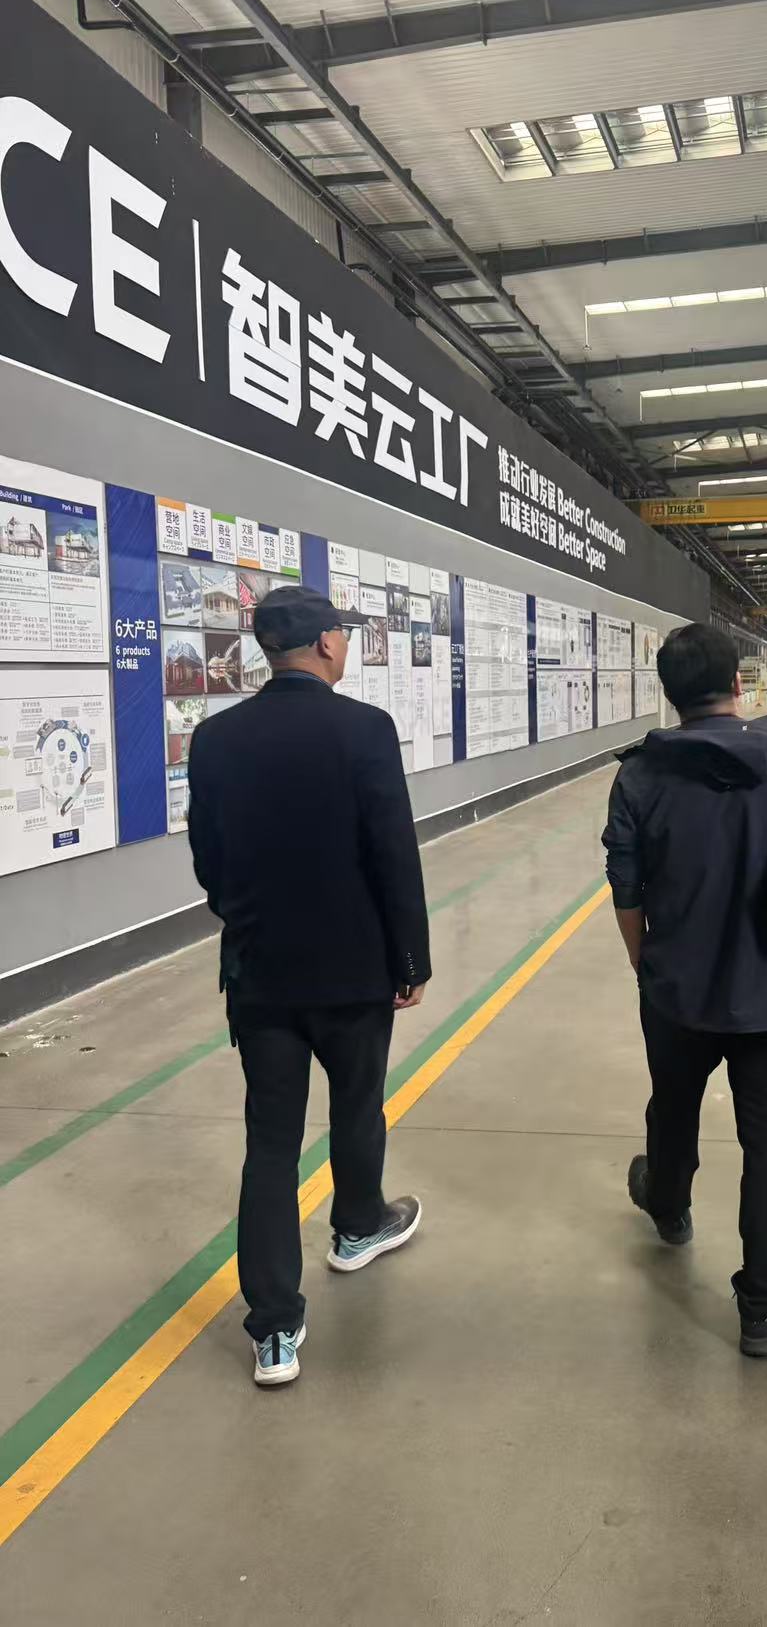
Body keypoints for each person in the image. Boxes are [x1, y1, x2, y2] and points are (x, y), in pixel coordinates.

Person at [187, 585, 430, 1387]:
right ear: (326, 643)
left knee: (270, 1143)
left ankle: (274, 1330)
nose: (346, 645)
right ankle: (357, 1227)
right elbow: (392, 851)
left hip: (261, 974)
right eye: (344, 635)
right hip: (355, 971)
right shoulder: (364, 729)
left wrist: (247, 920)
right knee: (357, 1104)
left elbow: (209, 859)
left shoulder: (216, 738)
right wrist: (410, 958)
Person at [602, 623, 767, 1358]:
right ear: (738, 684)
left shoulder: (641, 774)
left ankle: (669, 1206)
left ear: (668, 694)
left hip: (676, 988)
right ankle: (763, 1306)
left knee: (672, 1108)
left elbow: (626, 887)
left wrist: (645, 965)